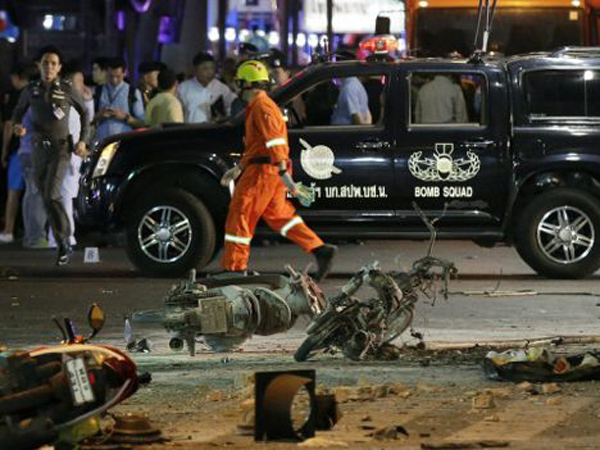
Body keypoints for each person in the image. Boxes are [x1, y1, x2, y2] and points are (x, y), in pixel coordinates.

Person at [219, 60, 336, 280]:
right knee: (280, 217)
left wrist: (285, 176)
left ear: (247, 84)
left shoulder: (263, 107)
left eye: (239, 82)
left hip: (263, 172)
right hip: (265, 170)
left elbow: (276, 143)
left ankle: (235, 268)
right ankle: (320, 250)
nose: (236, 87)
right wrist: (239, 168)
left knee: (240, 213)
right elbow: (258, 146)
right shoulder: (258, 106)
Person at [11, 46, 90, 265]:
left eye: (53, 63)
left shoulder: (67, 88)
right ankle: (63, 239)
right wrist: (18, 126)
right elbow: (17, 111)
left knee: (51, 193)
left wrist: (83, 140)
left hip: (61, 149)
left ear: (59, 67)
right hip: (38, 149)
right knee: (45, 195)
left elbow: (84, 113)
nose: (49, 67)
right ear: (39, 65)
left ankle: (64, 240)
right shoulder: (31, 89)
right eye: (45, 62)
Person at [48, 62, 94, 248]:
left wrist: (89, 102)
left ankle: (63, 236)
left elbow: (87, 124)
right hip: (61, 155)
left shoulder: (78, 101)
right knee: (62, 196)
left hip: (74, 157)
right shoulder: (59, 99)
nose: (82, 85)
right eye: (79, 81)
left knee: (66, 196)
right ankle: (61, 237)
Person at [0, 62, 38, 243]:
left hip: (19, 150)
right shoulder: (38, 94)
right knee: (34, 193)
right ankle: (34, 232)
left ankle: (8, 230)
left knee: (14, 192)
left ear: (17, 77)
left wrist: (4, 151)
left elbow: (8, 126)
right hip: (38, 150)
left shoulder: (16, 95)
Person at [94, 58, 145, 142]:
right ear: (106, 72)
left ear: (125, 73)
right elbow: (89, 120)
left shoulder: (132, 92)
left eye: (118, 76)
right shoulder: (98, 91)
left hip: (124, 142)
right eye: (111, 76)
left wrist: (125, 117)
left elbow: (142, 123)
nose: (114, 80)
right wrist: (99, 115)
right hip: (102, 141)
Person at [177, 52, 236, 123]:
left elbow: (231, 108)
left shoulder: (221, 88)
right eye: (205, 68)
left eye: (212, 68)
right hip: (190, 130)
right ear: (195, 69)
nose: (210, 72)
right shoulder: (183, 88)